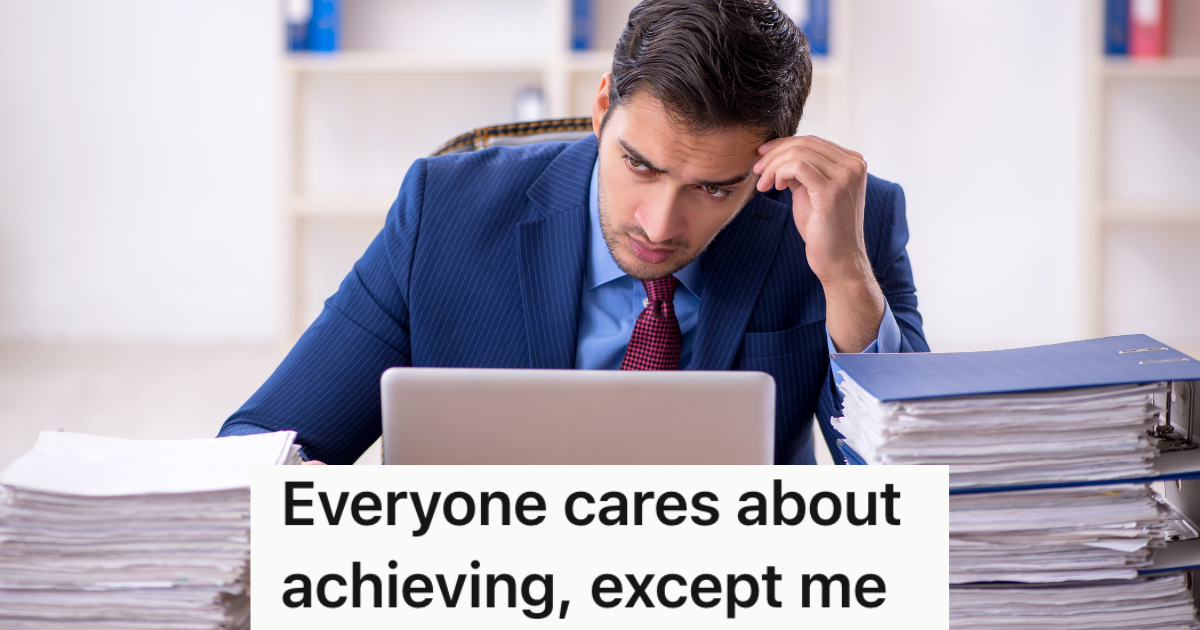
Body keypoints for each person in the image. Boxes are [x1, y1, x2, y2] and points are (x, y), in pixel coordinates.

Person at [218, 0, 928, 465]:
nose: (659, 225)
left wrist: (845, 281)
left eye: (714, 188)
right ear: (600, 110)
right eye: (638, 165)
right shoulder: (445, 211)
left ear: (770, 161)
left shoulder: (846, 226)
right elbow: (262, 444)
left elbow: (919, 494)